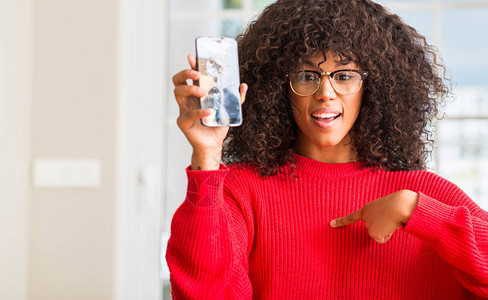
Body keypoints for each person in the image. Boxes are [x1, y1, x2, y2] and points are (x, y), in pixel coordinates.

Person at [166, 0, 488, 298]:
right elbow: (205, 291)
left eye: (344, 75)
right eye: (307, 76)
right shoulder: (241, 190)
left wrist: (418, 211)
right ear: (278, 87)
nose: (325, 93)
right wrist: (206, 158)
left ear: (373, 86)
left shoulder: (423, 194)